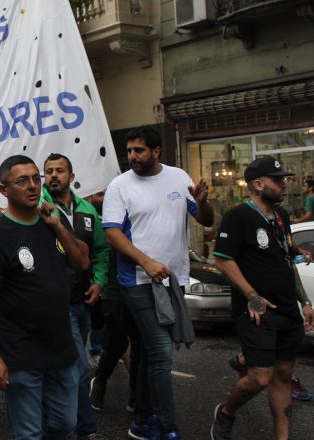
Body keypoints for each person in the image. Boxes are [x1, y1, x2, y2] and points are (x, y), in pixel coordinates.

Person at [101, 126, 213, 440]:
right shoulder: (119, 186)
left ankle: (141, 419)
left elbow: (205, 219)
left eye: (139, 151)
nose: (132, 157)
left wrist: (202, 202)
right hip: (136, 281)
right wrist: (146, 262)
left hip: (172, 281)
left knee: (152, 354)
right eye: (129, 151)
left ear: (156, 151)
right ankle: (167, 426)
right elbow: (112, 233)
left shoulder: (178, 177)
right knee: (162, 352)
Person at [0, 155, 90, 440]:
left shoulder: (52, 220)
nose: (33, 186)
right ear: (3, 190)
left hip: (60, 348)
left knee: (64, 424)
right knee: (28, 433)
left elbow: (81, 262)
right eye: (22, 180)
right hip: (20, 353)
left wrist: (58, 226)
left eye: (35, 179)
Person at [210, 156, 314, 440]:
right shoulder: (238, 217)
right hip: (256, 310)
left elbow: (287, 259)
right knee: (260, 377)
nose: (284, 185)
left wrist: (304, 301)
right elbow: (223, 260)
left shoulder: (281, 217)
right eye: (278, 180)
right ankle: (227, 412)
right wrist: (252, 295)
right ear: (258, 185)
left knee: (283, 374)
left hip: (287, 309)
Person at [42, 153, 107, 440]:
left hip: (84, 301)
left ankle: (51, 417)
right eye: (49, 171)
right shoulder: (39, 207)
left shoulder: (87, 210)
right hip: (57, 304)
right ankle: (86, 429)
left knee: (66, 366)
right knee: (79, 366)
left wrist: (100, 282)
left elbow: (102, 252)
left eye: (59, 171)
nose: (53, 175)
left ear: (72, 175)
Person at [85, 190, 140, 414]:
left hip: (138, 282)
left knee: (140, 341)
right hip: (111, 287)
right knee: (116, 341)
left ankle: (137, 396)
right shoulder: (95, 216)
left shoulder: (132, 211)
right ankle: (100, 381)